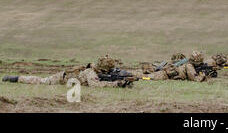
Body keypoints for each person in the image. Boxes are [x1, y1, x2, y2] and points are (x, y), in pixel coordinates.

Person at [2, 55, 134, 87]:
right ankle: (15, 78)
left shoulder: (100, 70)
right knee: (41, 81)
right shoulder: (91, 73)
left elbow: (110, 77)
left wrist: (125, 81)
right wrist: (117, 84)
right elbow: (97, 85)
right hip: (63, 78)